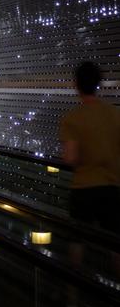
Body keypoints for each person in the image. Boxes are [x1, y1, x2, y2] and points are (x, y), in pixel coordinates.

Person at [60, 61, 120, 233]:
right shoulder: (115, 114)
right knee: (114, 242)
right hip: (111, 187)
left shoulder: (72, 118)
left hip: (83, 188)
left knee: (77, 239)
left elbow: (70, 158)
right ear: (98, 84)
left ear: (76, 84)